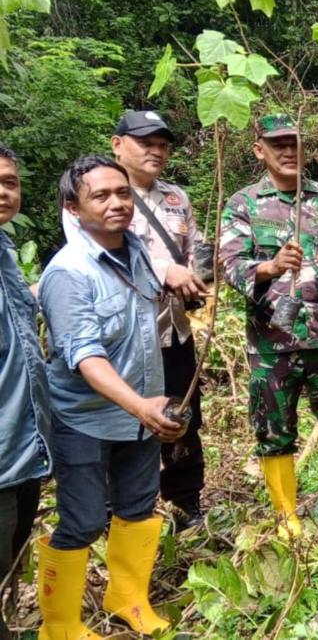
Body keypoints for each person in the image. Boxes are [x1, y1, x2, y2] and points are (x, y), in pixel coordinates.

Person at [38, 155, 183, 637]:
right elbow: (84, 356)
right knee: (80, 521)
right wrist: (139, 404)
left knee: (138, 505)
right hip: (86, 419)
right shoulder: (69, 272)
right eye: (100, 196)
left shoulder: (136, 249)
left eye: (122, 193)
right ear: (73, 209)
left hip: (143, 412)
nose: (117, 203)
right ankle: (60, 626)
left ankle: (128, 598)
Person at [221, 114, 318, 538]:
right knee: (273, 430)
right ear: (259, 149)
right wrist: (270, 266)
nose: (288, 151)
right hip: (271, 344)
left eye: (294, 143)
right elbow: (229, 265)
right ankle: (287, 520)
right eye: (277, 144)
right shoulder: (243, 204)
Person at [110, 110, 207, 532]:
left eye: (163, 144)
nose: (156, 151)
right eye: (145, 142)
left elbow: (195, 248)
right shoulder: (100, 192)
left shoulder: (176, 198)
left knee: (183, 417)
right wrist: (164, 272)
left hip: (174, 331)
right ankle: (130, 509)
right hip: (125, 336)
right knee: (128, 421)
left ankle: (186, 506)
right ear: (118, 144)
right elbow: (97, 255)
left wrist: (196, 276)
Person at [0, 145, 50, 640]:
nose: (3, 191)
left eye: (10, 181)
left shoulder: (5, 252)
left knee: (12, 558)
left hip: (23, 448)